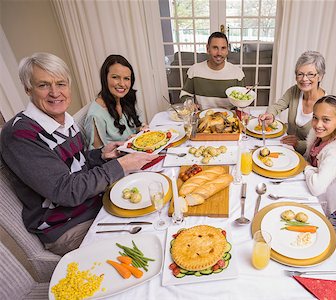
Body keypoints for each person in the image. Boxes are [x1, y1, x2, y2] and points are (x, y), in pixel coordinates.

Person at [0, 52, 157, 255]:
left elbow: (76, 165)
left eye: (61, 84)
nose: (55, 93)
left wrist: (101, 155)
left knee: (156, 210)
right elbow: (66, 191)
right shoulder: (20, 135)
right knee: (147, 247)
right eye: (44, 85)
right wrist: (121, 165)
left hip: (94, 204)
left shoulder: (64, 119)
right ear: (28, 89)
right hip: (67, 226)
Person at [259, 51, 326, 154]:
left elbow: (321, 144)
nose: (304, 79)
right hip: (287, 150)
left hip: (307, 159)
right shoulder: (294, 91)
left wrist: (298, 144)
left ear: (320, 76)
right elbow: (277, 106)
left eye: (310, 74)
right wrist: (270, 115)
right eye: (300, 74)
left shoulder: (327, 105)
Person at [303, 95, 336, 215]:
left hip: (324, 205)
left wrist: (306, 166)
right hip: (310, 189)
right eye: (315, 117)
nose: (318, 125)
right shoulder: (321, 135)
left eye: (326, 120)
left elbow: (317, 188)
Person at [84, 54, 145, 150]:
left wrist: (140, 130)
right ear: (105, 78)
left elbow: (128, 131)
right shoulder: (96, 116)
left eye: (126, 78)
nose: (122, 84)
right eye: (115, 77)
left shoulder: (122, 99)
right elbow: (97, 156)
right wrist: (126, 144)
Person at [179, 32, 245, 110]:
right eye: (215, 48)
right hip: (202, 118)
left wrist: (245, 96)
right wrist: (190, 104)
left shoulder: (237, 73)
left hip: (229, 119)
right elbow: (184, 95)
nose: (219, 53)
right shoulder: (194, 70)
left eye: (223, 48)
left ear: (227, 50)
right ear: (208, 49)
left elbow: (242, 103)